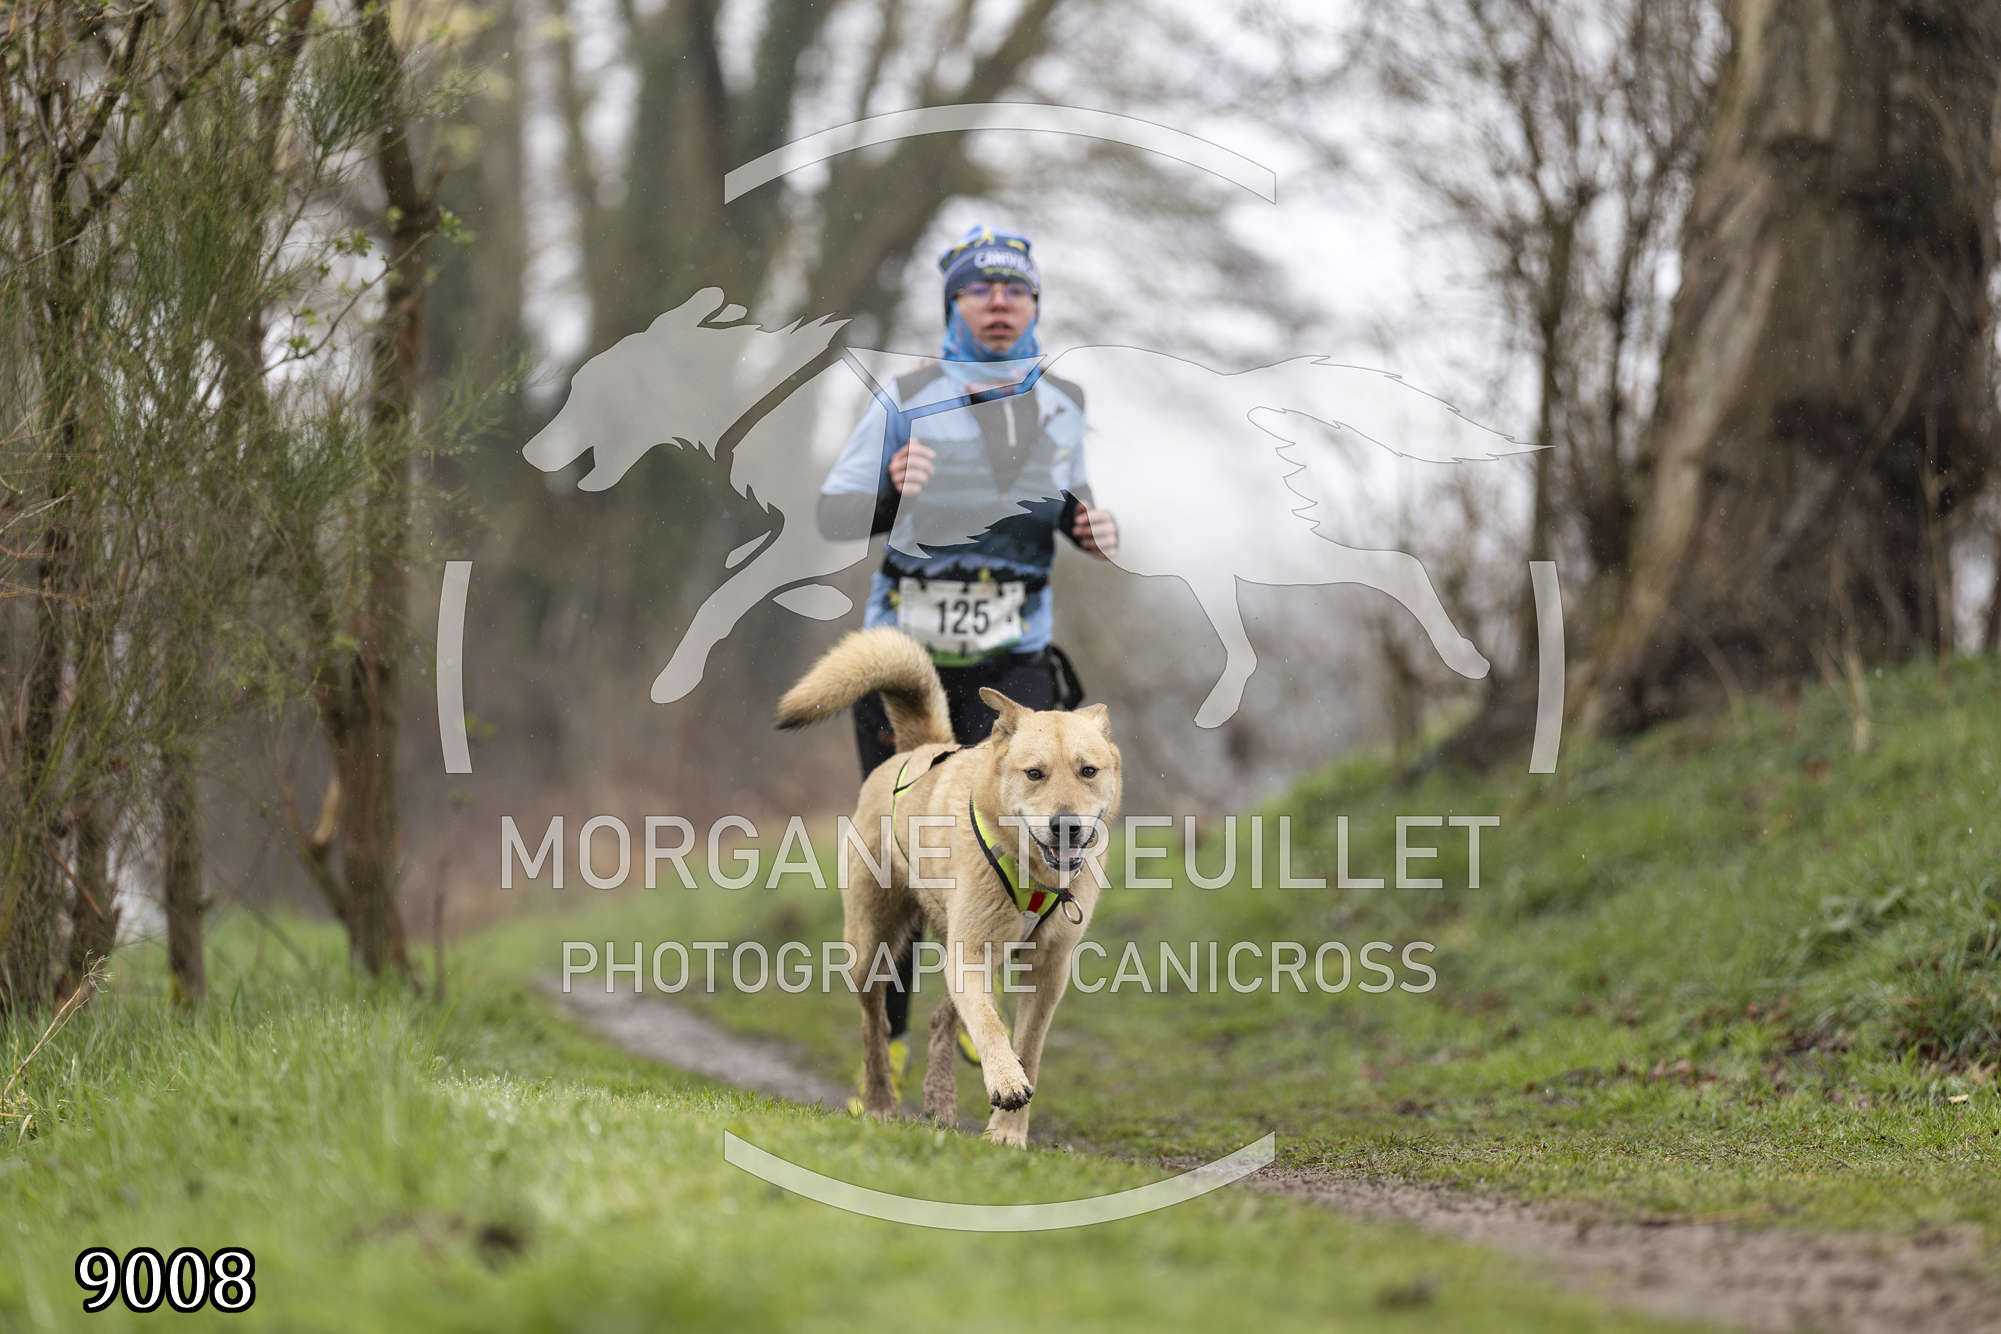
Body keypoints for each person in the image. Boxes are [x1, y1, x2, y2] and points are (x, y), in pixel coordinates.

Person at [816, 224, 1117, 1100]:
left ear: (1034, 306)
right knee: (909, 859)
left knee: (1026, 842)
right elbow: (834, 516)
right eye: (979, 289)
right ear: (953, 304)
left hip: (1012, 661)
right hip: (906, 658)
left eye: (1014, 290)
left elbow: (1068, 505)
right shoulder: (907, 396)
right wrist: (889, 488)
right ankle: (891, 1043)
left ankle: (984, 1022)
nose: (998, 302)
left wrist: (1090, 527)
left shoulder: (1061, 402)